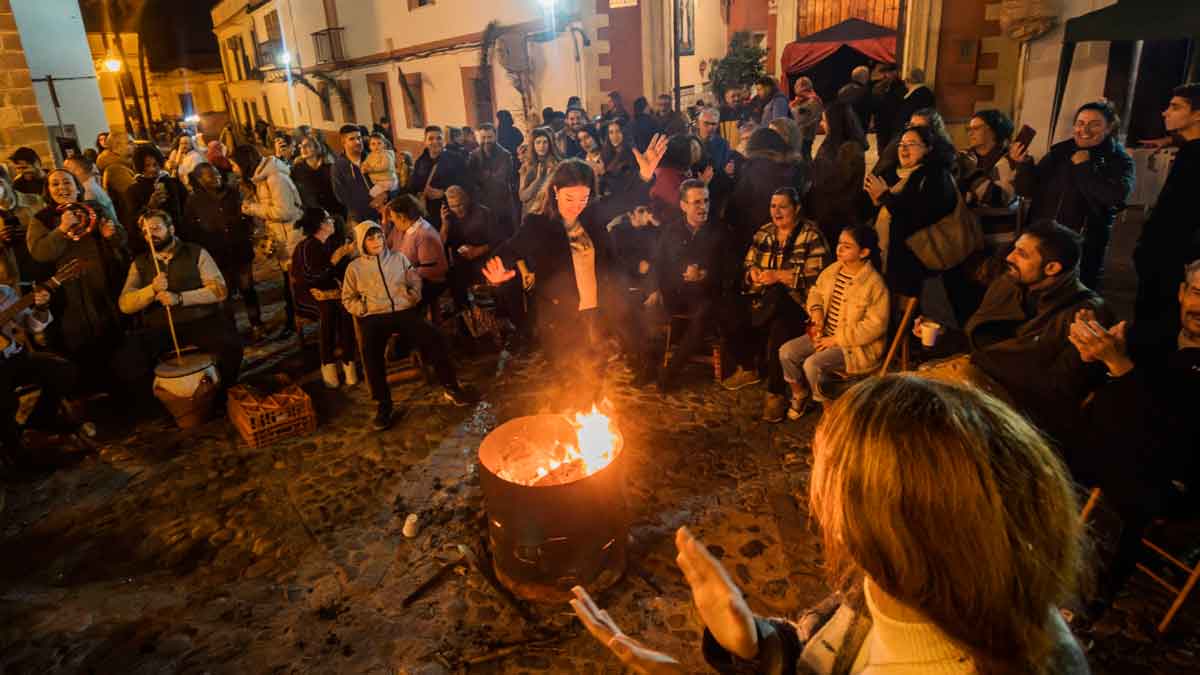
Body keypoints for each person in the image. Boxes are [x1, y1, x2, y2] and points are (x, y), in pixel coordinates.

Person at [572, 375, 1090, 675]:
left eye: (826, 483)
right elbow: (816, 659)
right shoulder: (887, 588)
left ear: (880, 524)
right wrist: (754, 642)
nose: (814, 502)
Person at [483, 136, 669, 403]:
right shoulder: (539, 225)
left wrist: (644, 175)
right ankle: (569, 422)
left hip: (597, 309)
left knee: (596, 371)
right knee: (568, 376)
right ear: (555, 191)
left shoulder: (592, 215)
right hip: (561, 315)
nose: (577, 205)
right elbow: (509, 251)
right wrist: (497, 274)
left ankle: (589, 423)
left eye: (584, 197)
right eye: (570, 197)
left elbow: (623, 201)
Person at [1068, 259, 1200, 619]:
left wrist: (1121, 367)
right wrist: (1092, 352)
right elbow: (1109, 393)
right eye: (1197, 293)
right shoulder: (1153, 334)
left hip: (1175, 480)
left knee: (1130, 482)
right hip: (1113, 449)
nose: (1199, 307)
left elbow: (1171, 441)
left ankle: (1089, 594)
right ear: (1182, 292)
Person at [917, 220, 1113, 446]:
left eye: (1022, 254)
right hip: (977, 387)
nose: (1009, 257)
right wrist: (943, 337)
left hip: (1019, 420)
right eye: (1014, 249)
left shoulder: (1086, 314)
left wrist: (980, 371)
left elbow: (1062, 390)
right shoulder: (1009, 286)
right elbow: (981, 345)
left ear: (1052, 268)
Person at [341, 220, 478, 431]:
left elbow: (414, 281)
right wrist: (363, 308)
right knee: (369, 350)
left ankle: (451, 386)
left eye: (378, 237)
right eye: (370, 238)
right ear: (362, 242)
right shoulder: (355, 268)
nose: (376, 241)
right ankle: (383, 404)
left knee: (434, 337)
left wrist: (412, 297)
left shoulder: (398, 259)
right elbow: (348, 298)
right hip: (374, 316)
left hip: (403, 310)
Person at [721, 187, 829, 424]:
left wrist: (779, 275)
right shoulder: (764, 233)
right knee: (726, 306)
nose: (776, 212)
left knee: (780, 311)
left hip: (799, 303)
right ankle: (748, 367)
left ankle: (776, 393)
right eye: (773, 206)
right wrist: (754, 274)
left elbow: (818, 278)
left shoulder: (811, 235)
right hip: (761, 297)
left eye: (783, 206)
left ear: (796, 208)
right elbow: (748, 265)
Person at [1012, 99, 1134, 290]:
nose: (1084, 130)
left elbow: (1114, 197)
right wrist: (1025, 164)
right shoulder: (1059, 152)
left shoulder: (1119, 160)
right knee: (1033, 289)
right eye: (1080, 123)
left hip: (1082, 246)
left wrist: (1085, 168)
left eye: (1095, 124)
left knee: (1072, 296)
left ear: (1109, 128)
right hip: (1043, 240)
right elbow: (1026, 190)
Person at [117, 210, 244, 390]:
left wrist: (181, 298)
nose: (150, 235)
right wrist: (151, 290)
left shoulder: (196, 252)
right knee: (130, 359)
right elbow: (125, 305)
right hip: (160, 327)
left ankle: (223, 393)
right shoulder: (140, 263)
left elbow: (219, 290)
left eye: (156, 228)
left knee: (231, 346)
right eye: (146, 232)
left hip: (199, 320)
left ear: (171, 229)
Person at [778, 226, 887, 419]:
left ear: (864, 252)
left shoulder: (874, 284)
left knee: (813, 364)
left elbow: (875, 326)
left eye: (847, 246)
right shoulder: (833, 270)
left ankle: (829, 410)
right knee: (787, 352)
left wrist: (836, 339)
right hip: (825, 335)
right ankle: (799, 393)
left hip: (854, 347)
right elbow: (816, 292)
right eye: (839, 244)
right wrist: (817, 311)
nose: (839, 249)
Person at [29, 173, 128, 369]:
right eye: (55, 184)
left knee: (114, 342)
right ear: (48, 190)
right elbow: (40, 253)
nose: (61, 187)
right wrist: (62, 229)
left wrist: (111, 235)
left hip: (104, 285)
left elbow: (122, 239)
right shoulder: (41, 219)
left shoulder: (95, 209)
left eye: (67, 182)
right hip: (68, 294)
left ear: (77, 188)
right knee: (81, 346)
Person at [1133, 83, 1200, 354]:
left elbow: (1182, 213)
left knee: (1161, 326)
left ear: (1197, 114)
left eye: (1175, 107)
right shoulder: (1189, 150)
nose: (1165, 112)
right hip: (1164, 257)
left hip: (1173, 260)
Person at [647, 180, 729, 393]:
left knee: (705, 312)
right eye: (696, 202)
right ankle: (643, 367)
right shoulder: (671, 230)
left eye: (706, 201)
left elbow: (730, 269)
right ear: (683, 205)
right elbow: (659, 263)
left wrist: (704, 274)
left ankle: (671, 371)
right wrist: (655, 289)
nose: (703, 207)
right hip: (675, 294)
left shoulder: (720, 230)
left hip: (706, 295)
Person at [863, 124, 958, 303]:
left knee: (910, 312)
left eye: (912, 144)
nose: (904, 149)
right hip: (886, 255)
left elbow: (919, 216)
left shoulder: (936, 175)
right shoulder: (890, 173)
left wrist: (885, 197)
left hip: (916, 260)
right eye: (901, 144)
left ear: (928, 148)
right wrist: (875, 203)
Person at [0, 282, 89, 470]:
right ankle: (16, 451)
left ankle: (42, 417)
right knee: (4, 401)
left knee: (63, 369)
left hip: (16, 358)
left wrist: (41, 307)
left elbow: (31, 325)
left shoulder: (4, 292)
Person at [181, 162, 263, 342]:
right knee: (224, 294)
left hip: (240, 250)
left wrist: (250, 232)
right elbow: (191, 229)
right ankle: (232, 330)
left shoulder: (233, 193)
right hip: (217, 255)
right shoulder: (194, 201)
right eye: (210, 175)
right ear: (200, 179)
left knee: (247, 289)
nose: (216, 177)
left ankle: (256, 324)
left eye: (217, 172)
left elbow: (248, 216)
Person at [232, 144, 304, 337]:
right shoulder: (261, 179)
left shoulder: (275, 179)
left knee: (294, 283)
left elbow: (285, 211)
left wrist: (252, 208)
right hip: (282, 236)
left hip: (292, 237)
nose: (233, 169)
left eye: (235, 165)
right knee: (289, 282)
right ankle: (293, 321)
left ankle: (297, 322)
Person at [291, 208, 357, 389]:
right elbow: (310, 278)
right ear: (321, 225)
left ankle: (348, 361)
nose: (333, 222)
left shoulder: (328, 243)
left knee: (345, 310)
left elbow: (338, 274)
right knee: (327, 311)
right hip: (307, 295)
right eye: (329, 219)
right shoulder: (306, 247)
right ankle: (327, 365)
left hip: (329, 292)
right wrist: (334, 261)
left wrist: (345, 257)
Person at [727, 128, 812, 257]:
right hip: (788, 233)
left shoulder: (752, 169)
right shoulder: (792, 168)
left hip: (756, 235)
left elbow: (736, 205)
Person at [807, 102, 867, 246]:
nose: (822, 124)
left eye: (824, 120)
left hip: (836, 216)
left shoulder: (848, 149)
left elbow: (834, 183)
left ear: (835, 123)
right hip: (830, 212)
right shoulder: (834, 144)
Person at [384, 195, 448, 316]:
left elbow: (436, 270)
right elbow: (386, 245)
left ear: (402, 217)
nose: (392, 220)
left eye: (393, 218)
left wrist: (402, 274)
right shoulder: (402, 229)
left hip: (430, 283)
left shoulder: (423, 234)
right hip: (410, 278)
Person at [124, 144, 187, 250]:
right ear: (140, 167)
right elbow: (132, 222)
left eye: (155, 164)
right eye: (147, 166)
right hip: (153, 243)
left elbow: (186, 207)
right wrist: (150, 206)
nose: (153, 169)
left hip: (179, 237)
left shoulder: (173, 183)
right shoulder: (133, 191)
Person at [409, 125, 467, 232]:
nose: (435, 141)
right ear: (425, 141)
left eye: (439, 138)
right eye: (431, 138)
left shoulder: (456, 159)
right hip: (426, 212)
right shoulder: (420, 161)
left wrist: (443, 192)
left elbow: (464, 183)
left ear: (444, 140)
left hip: (448, 211)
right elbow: (413, 185)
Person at [960, 109, 1018, 208]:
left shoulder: (1009, 160)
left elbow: (1002, 199)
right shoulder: (963, 156)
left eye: (976, 128)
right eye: (969, 129)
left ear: (993, 131)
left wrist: (970, 174)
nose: (970, 133)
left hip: (993, 220)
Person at [467, 123, 517, 233]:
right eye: (483, 137)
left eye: (489, 137)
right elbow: (470, 180)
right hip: (481, 205)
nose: (486, 141)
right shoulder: (473, 155)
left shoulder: (505, 155)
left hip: (502, 205)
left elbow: (500, 180)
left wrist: (480, 175)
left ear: (495, 137)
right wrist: (487, 175)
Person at [0, 170, 44, 285]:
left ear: (7, 181)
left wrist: (33, 230)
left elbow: (52, 231)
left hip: (44, 273)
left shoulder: (35, 201)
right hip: (12, 281)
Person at [332, 125, 381, 226]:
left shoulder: (374, 158)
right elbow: (341, 195)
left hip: (381, 213)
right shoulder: (338, 167)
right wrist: (367, 204)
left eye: (359, 138)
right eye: (352, 139)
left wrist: (384, 195)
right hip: (358, 218)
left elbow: (389, 179)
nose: (357, 142)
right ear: (343, 142)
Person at [291, 134, 344, 218]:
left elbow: (340, 189)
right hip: (313, 214)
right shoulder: (297, 169)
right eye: (301, 146)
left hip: (335, 212)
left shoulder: (330, 167)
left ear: (317, 148)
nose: (303, 149)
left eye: (307, 146)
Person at [518, 126, 561, 217]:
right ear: (533, 145)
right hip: (532, 213)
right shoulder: (527, 166)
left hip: (551, 212)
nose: (542, 146)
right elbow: (523, 197)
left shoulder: (557, 165)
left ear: (549, 144)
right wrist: (538, 180)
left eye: (545, 142)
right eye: (538, 142)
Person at [871, 63, 905, 151]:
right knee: (882, 150)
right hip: (881, 124)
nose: (885, 75)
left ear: (895, 72)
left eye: (888, 72)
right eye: (884, 73)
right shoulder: (879, 87)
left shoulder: (901, 87)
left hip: (894, 124)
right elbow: (874, 105)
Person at [789, 77, 823, 161]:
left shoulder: (813, 100)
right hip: (801, 134)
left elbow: (799, 117)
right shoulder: (803, 99)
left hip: (805, 135)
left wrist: (793, 107)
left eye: (798, 86)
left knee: (804, 158)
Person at [838, 65, 872, 142]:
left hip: (843, 129)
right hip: (859, 129)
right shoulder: (865, 92)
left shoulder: (843, 90)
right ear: (864, 78)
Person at [362, 132, 399, 202]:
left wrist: (371, 169)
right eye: (373, 144)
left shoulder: (386, 154)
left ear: (384, 145)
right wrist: (363, 167)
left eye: (379, 143)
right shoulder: (370, 155)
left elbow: (385, 166)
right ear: (369, 146)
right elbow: (366, 163)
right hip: (379, 182)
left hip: (387, 180)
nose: (376, 146)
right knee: (374, 195)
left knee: (372, 194)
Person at [895, 68, 935, 132]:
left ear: (908, 80)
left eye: (906, 79)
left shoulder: (916, 94)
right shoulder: (926, 92)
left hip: (913, 130)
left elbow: (907, 115)